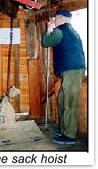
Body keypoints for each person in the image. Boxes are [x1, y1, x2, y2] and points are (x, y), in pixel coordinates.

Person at [41, 9, 86, 145]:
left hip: (72, 70)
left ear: (61, 19)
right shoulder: (70, 30)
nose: (54, 20)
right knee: (62, 99)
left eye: (55, 18)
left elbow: (45, 42)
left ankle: (69, 135)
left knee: (70, 102)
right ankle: (64, 129)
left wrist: (49, 29)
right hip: (71, 69)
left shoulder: (61, 30)